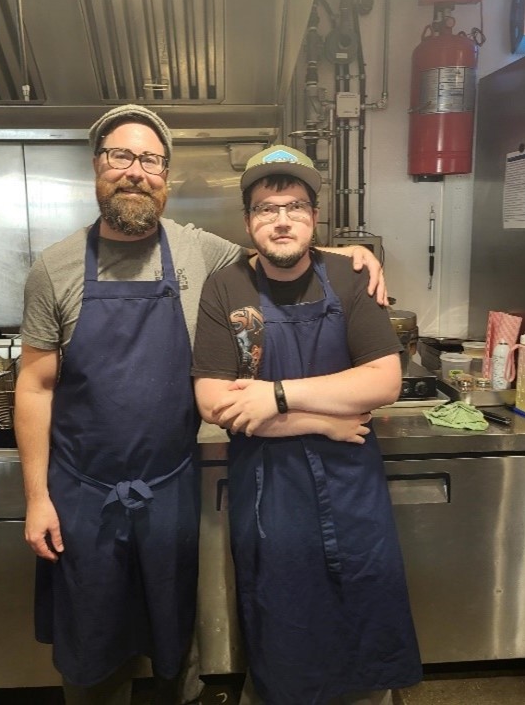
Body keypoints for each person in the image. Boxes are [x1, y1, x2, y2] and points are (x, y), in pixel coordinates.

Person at [14, 107, 388, 705]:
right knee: (89, 647)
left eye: (150, 160)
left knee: (174, 639)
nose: (136, 172)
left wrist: (351, 253)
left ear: (165, 175)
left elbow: (278, 243)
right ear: (97, 167)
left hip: (171, 488)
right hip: (81, 492)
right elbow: (34, 387)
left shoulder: (198, 251)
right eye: (121, 157)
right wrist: (37, 498)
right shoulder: (54, 269)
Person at [192, 145, 422, 705]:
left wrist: (275, 396)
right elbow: (214, 402)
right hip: (271, 489)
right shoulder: (225, 289)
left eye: (294, 206)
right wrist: (321, 420)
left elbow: (383, 382)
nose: (282, 219)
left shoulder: (348, 276)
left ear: (313, 217)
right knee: (281, 613)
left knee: (363, 599)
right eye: (267, 208)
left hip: (351, 485)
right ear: (249, 222)